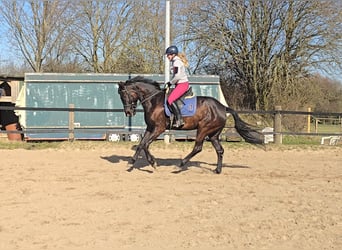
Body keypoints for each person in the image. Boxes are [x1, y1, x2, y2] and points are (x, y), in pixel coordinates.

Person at [165, 45, 190, 128]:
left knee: (170, 99)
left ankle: (179, 120)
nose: (167, 56)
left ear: (173, 54)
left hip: (182, 84)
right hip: (179, 84)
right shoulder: (175, 62)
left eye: (168, 55)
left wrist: (170, 83)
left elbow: (178, 76)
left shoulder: (176, 62)